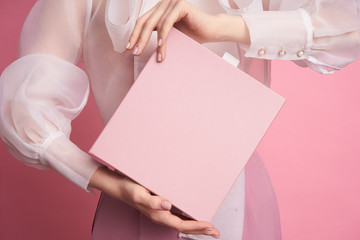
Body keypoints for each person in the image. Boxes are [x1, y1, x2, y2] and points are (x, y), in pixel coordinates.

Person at [0, 0, 359, 239]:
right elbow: (22, 108)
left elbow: (347, 28)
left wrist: (222, 26)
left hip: (239, 192)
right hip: (131, 204)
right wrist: (106, 182)